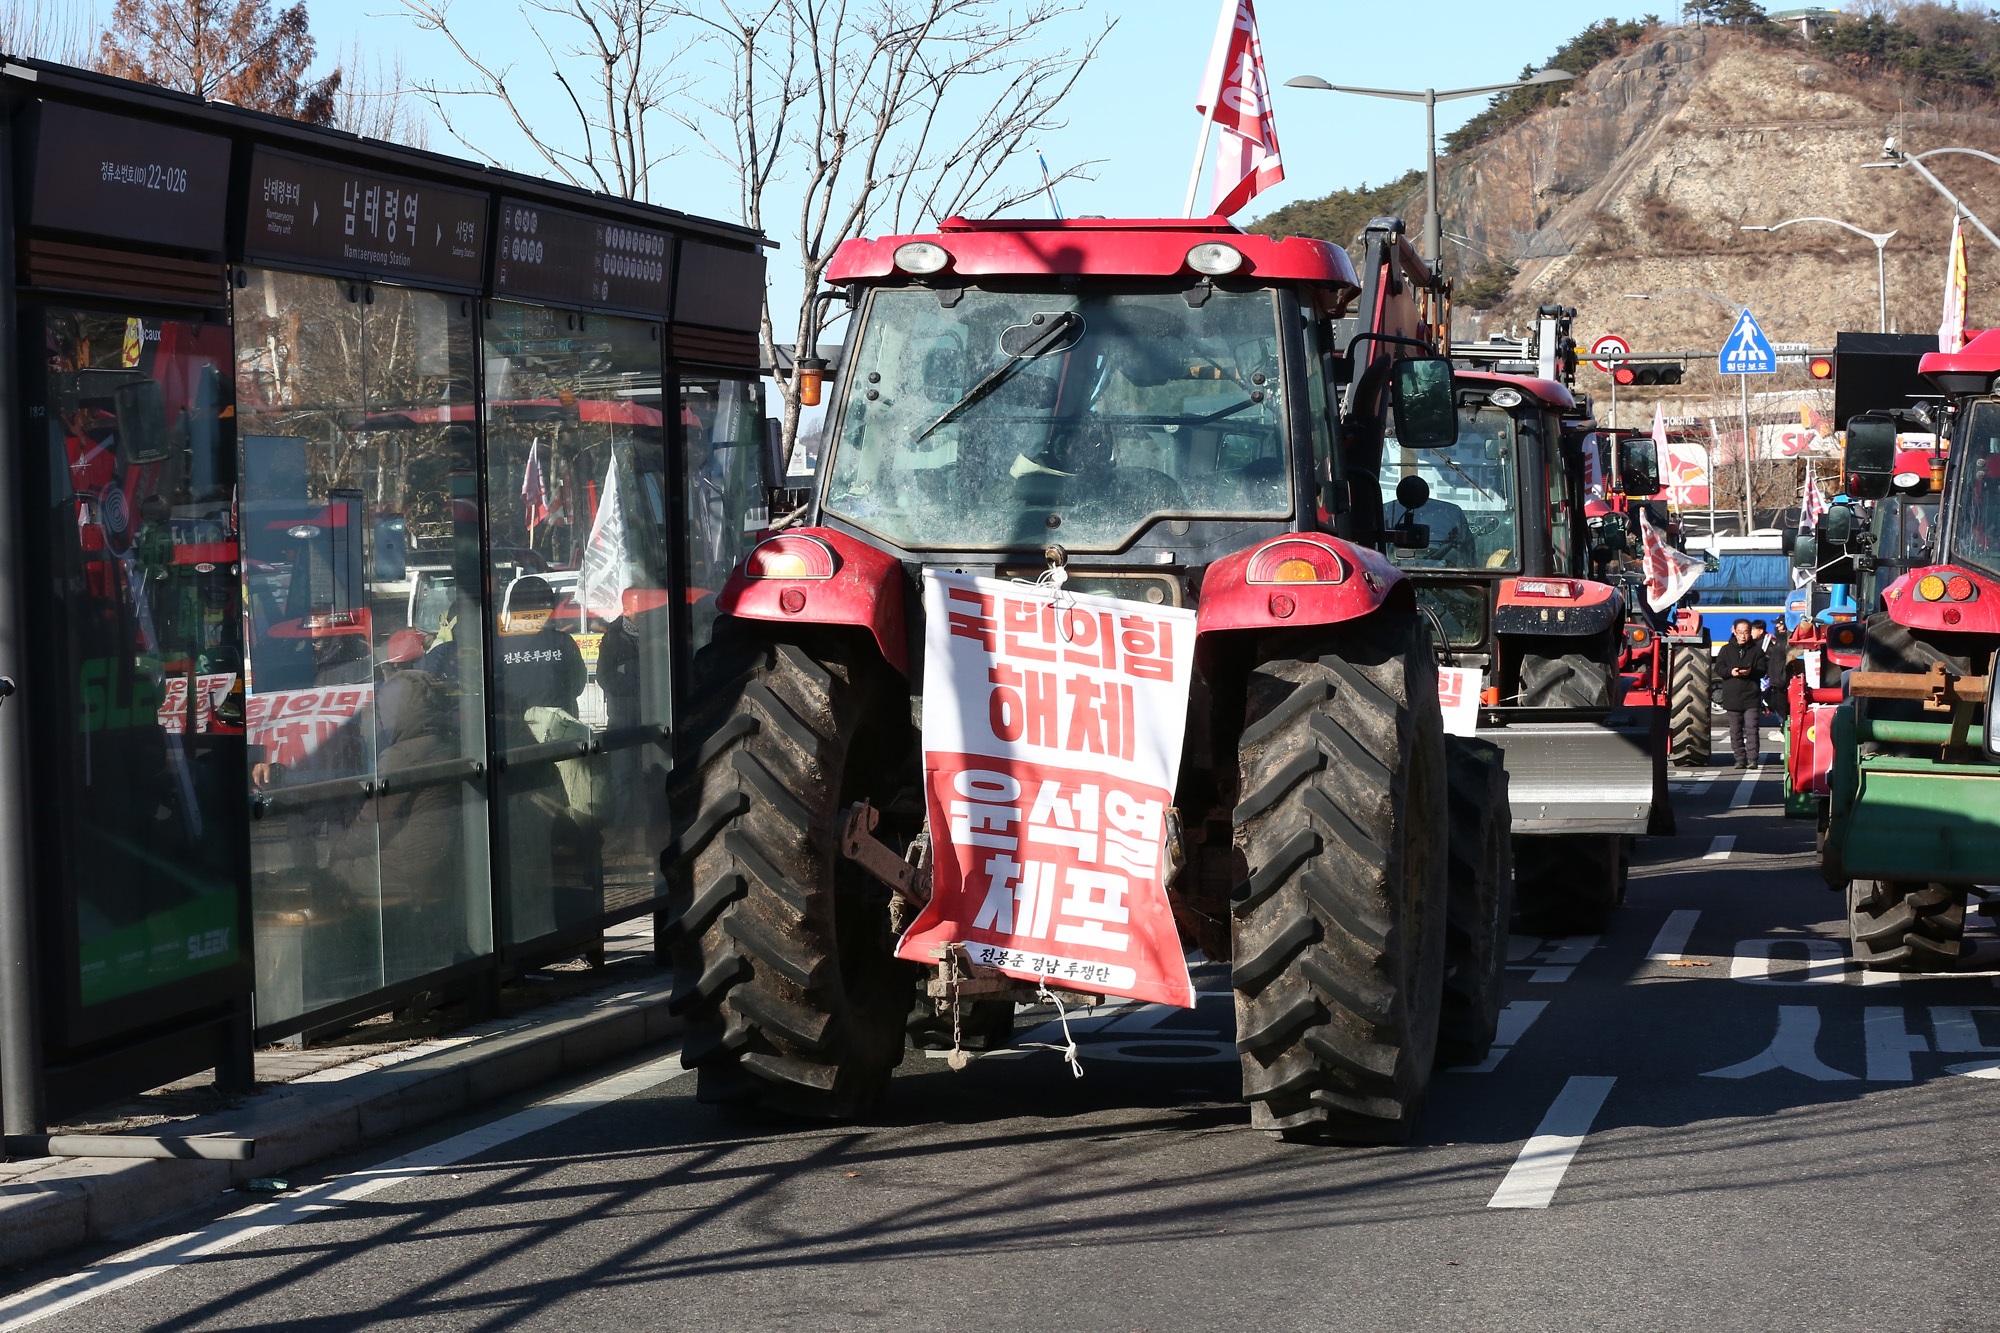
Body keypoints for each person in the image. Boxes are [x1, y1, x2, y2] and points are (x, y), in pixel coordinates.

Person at [1716, 618, 1765, 768]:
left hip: (1751, 695)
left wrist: (1751, 672)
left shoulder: (1757, 650)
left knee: (1751, 728)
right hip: (1732, 695)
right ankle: (1739, 758)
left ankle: (1752, 759)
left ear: (1750, 633)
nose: (1743, 636)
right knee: (1735, 730)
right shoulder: (1725, 650)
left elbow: (1762, 670)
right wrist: (1730, 672)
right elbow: (1718, 669)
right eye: (1740, 632)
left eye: (1746, 632)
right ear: (1734, 631)